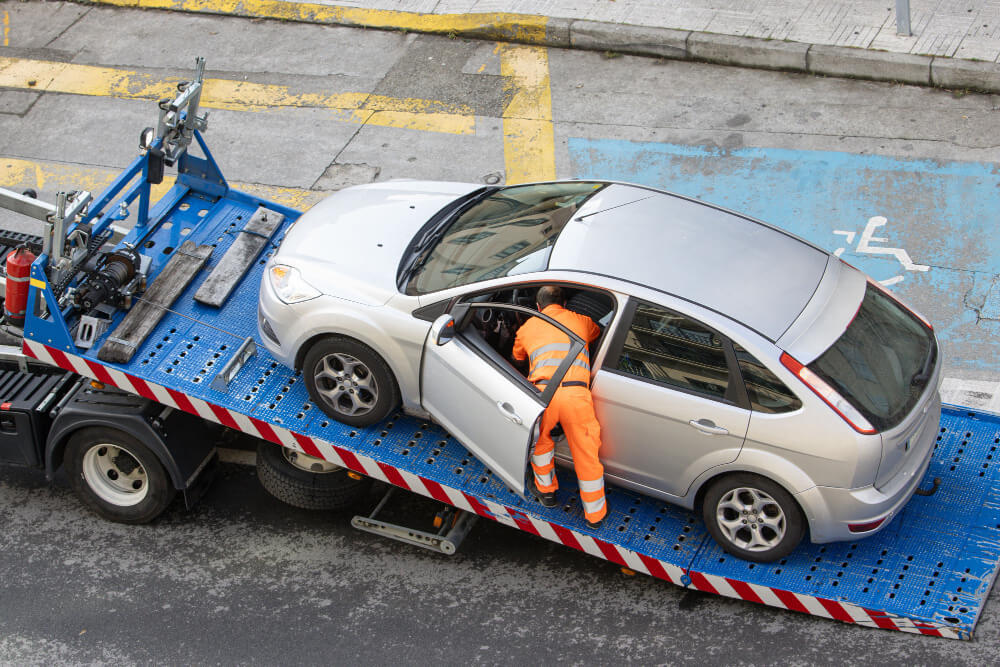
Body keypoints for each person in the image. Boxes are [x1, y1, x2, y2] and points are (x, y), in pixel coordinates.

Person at [512, 286, 607, 528]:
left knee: (540, 444)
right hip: (576, 394)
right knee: (586, 454)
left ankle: (548, 494)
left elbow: (517, 359)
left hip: (543, 395)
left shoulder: (526, 328)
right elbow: (596, 335)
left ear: (537, 306)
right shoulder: (581, 320)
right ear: (564, 303)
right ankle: (595, 516)